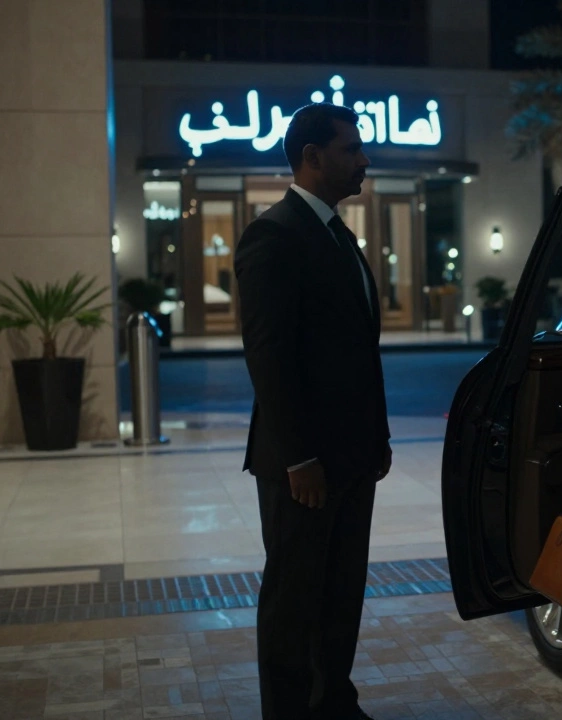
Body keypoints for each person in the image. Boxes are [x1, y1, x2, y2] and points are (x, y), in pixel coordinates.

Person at [234, 102, 390, 720]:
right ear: (312, 157)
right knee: (294, 602)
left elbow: (358, 351)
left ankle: (335, 705)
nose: (364, 160)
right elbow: (269, 357)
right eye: (352, 149)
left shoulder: (337, 234)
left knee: (342, 595)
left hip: (351, 458)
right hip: (303, 465)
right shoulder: (274, 234)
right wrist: (299, 458)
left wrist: (376, 441)